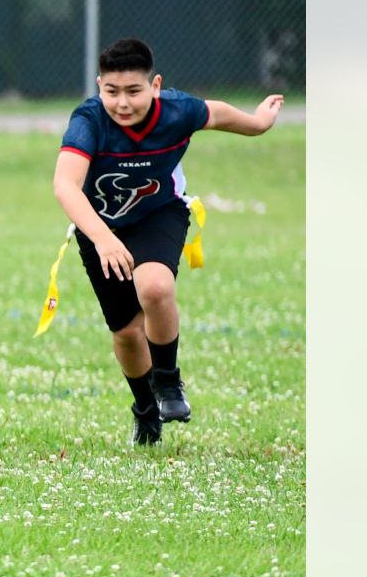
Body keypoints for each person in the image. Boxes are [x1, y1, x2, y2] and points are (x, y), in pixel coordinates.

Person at [52, 38, 284, 445]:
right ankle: (145, 409)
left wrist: (258, 123)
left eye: (133, 91)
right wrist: (104, 239)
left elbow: (216, 114)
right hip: (100, 227)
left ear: (155, 85)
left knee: (155, 286)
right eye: (112, 91)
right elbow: (65, 186)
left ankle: (169, 382)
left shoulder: (177, 111)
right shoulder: (88, 121)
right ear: (99, 86)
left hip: (159, 213)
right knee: (126, 332)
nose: (122, 103)